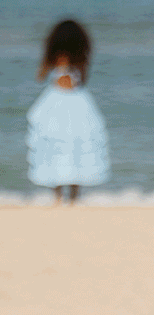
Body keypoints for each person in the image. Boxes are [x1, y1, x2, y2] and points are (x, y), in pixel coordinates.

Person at [28, 18, 110, 205]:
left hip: (59, 103)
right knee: (75, 146)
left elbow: (42, 76)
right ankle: (72, 196)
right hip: (75, 103)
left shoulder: (58, 61)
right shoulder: (78, 63)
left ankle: (60, 196)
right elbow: (76, 81)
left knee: (59, 147)